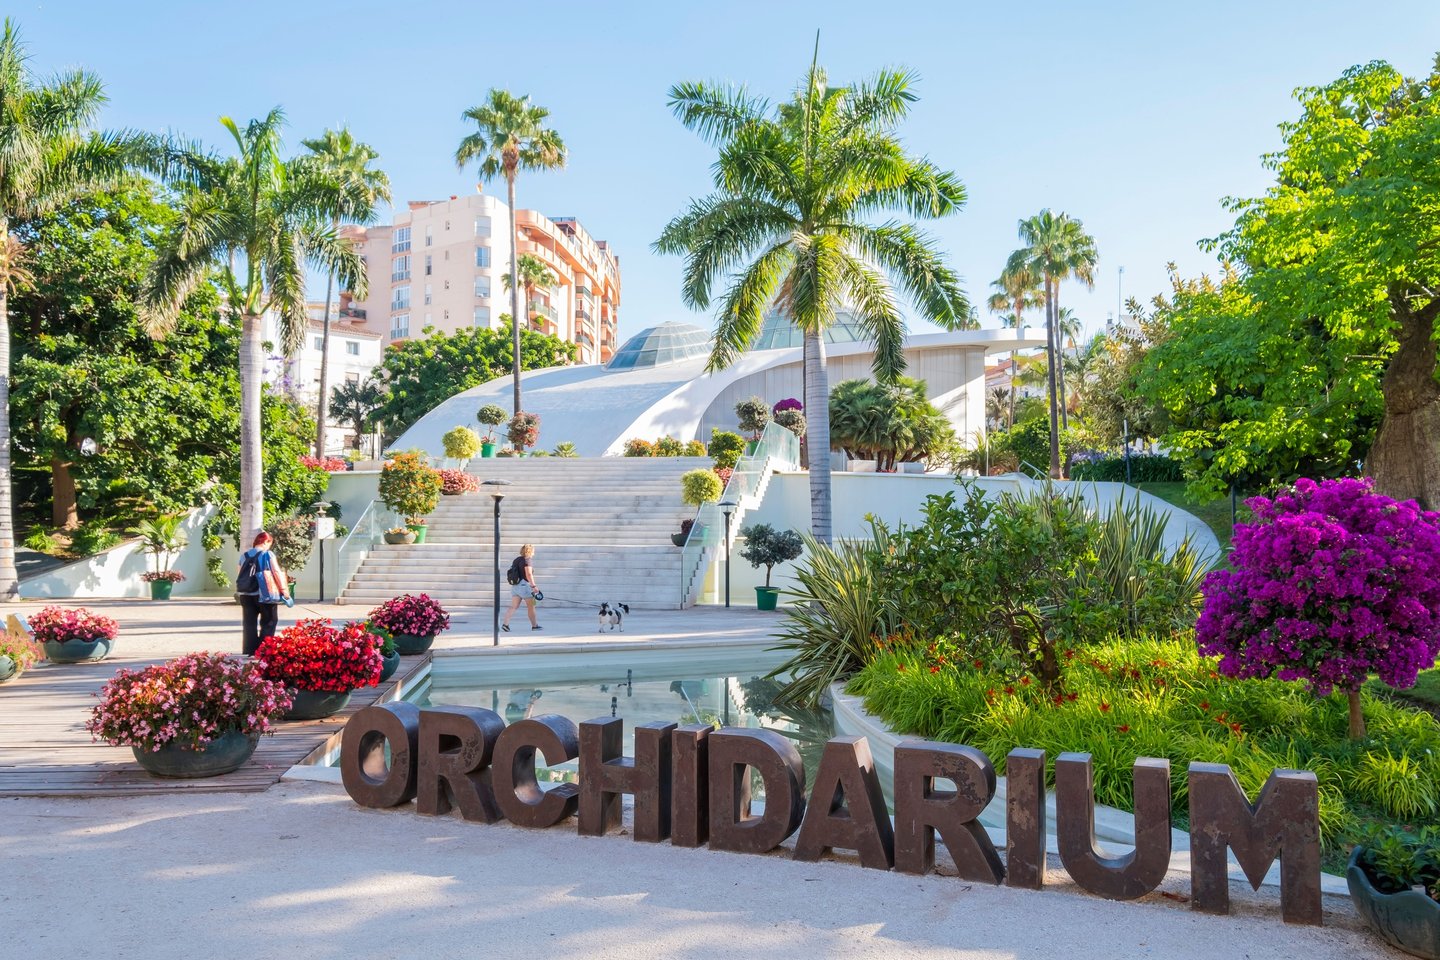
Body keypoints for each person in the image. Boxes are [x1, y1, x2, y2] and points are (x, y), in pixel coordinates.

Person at [237, 531, 290, 655]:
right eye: (269, 543)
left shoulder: (244, 555)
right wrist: (284, 590)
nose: (269, 546)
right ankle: (264, 651)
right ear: (266, 541)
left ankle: (249, 651)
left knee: (249, 623)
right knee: (269, 621)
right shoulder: (268, 554)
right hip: (264, 594)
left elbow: (240, 573)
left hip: (246, 594)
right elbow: (276, 572)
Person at [501, 544, 540, 632]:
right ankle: (534, 626)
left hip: (516, 586)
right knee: (531, 607)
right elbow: (529, 574)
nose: (534, 552)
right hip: (525, 586)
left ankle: (505, 624)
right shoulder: (527, 560)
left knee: (514, 606)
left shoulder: (517, 560)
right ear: (530, 551)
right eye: (533, 550)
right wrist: (534, 586)